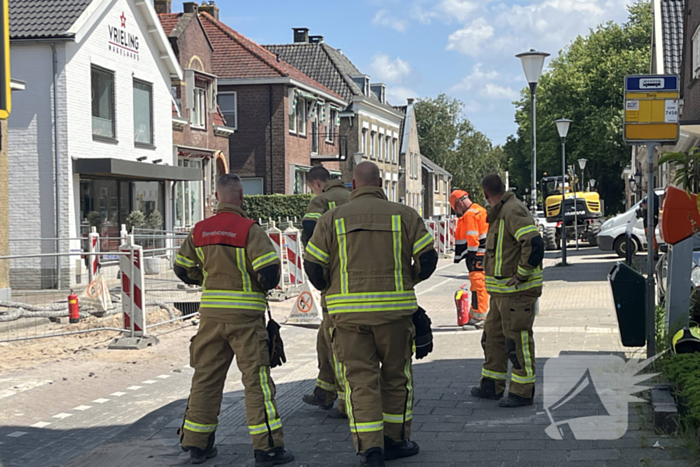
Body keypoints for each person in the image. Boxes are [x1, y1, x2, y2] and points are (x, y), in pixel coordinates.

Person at [304, 161, 438, 467]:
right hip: (394, 315)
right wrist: (410, 279)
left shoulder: (332, 218)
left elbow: (313, 265)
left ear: (353, 183)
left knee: (359, 381)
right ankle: (395, 440)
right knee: (395, 377)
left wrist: (330, 288)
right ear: (380, 183)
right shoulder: (404, 215)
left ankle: (370, 449)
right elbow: (428, 258)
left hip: (348, 318)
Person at [174, 174, 294, 466]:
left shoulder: (199, 230)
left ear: (216, 197)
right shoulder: (250, 230)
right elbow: (269, 273)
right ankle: (267, 449)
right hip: (246, 320)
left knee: (205, 379)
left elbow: (182, 269)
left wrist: (207, 278)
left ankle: (197, 445)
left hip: (211, 317)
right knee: (257, 383)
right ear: (241, 197)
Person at [471, 174, 545, 408]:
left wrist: (521, 274)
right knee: (492, 338)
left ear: (485, 194)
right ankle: (492, 384)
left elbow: (534, 244)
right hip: (501, 295)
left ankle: (523, 392)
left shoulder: (512, 211)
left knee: (517, 341)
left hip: (517, 293)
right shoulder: (500, 212)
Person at [299, 165, 350, 418]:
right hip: (356, 277)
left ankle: (344, 401)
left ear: (316, 184)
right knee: (323, 338)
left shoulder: (321, 201)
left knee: (334, 342)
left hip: (334, 282)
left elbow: (309, 231)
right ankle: (324, 391)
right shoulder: (355, 198)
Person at [450, 190, 489, 326]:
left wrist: (471, 254)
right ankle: (475, 313)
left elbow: (472, 236)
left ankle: (479, 317)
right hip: (484, 254)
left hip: (477, 255)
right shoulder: (480, 210)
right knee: (478, 285)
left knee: (478, 286)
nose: (458, 212)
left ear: (460, 203)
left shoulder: (470, 215)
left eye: (456, 208)